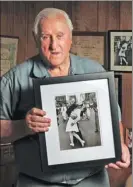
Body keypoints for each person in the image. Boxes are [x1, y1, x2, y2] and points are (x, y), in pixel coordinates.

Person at [0, 8, 130, 187]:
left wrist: (120, 145)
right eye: (46, 37)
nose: (54, 45)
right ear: (36, 38)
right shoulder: (14, 79)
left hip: (92, 181)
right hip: (37, 182)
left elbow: (114, 118)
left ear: (70, 38)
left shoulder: (95, 71)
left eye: (60, 35)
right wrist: (24, 125)